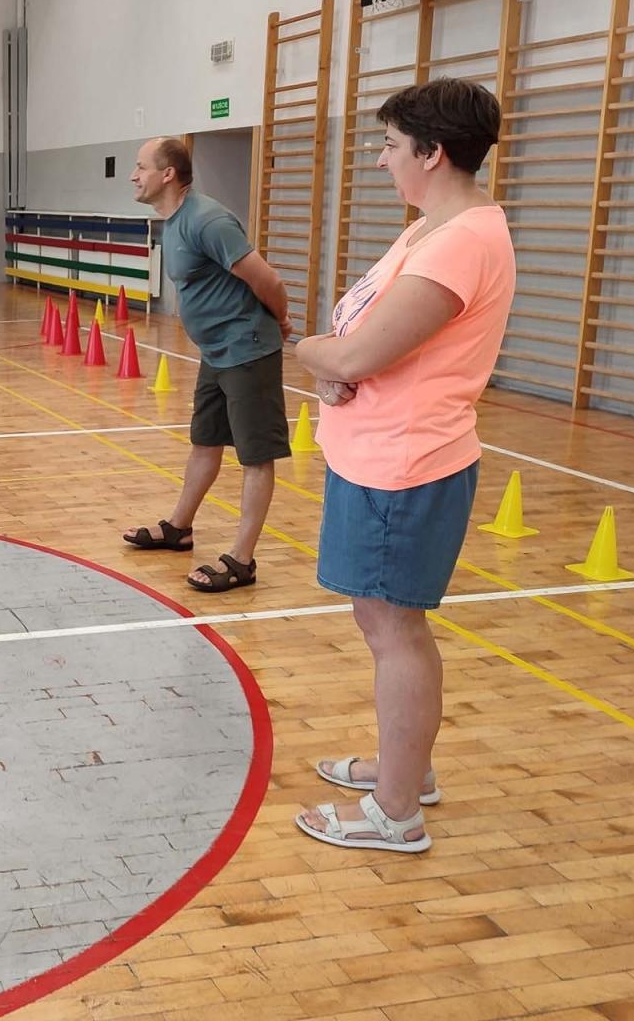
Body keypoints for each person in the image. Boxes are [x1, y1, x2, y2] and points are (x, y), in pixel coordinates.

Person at [293, 78, 511, 854]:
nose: (381, 160)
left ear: (433, 152)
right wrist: (336, 366)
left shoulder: (462, 242)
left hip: (406, 464)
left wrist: (312, 354)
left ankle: (395, 811)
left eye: (390, 146)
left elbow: (359, 352)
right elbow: (366, 344)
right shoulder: (428, 230)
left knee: (395, 630)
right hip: (376, 454)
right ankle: (405, 768)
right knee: (382, 621)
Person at [121, 137, 291, 592]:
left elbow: (268, 281)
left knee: (256, 457)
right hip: (216, 353)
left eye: (141, 167)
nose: (134, 176)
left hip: (247, 350)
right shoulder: (175, 220)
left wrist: (280, 322)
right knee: (205, 442)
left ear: (168, 174)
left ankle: (242, 560)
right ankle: (179, 528)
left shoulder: (207, 220)